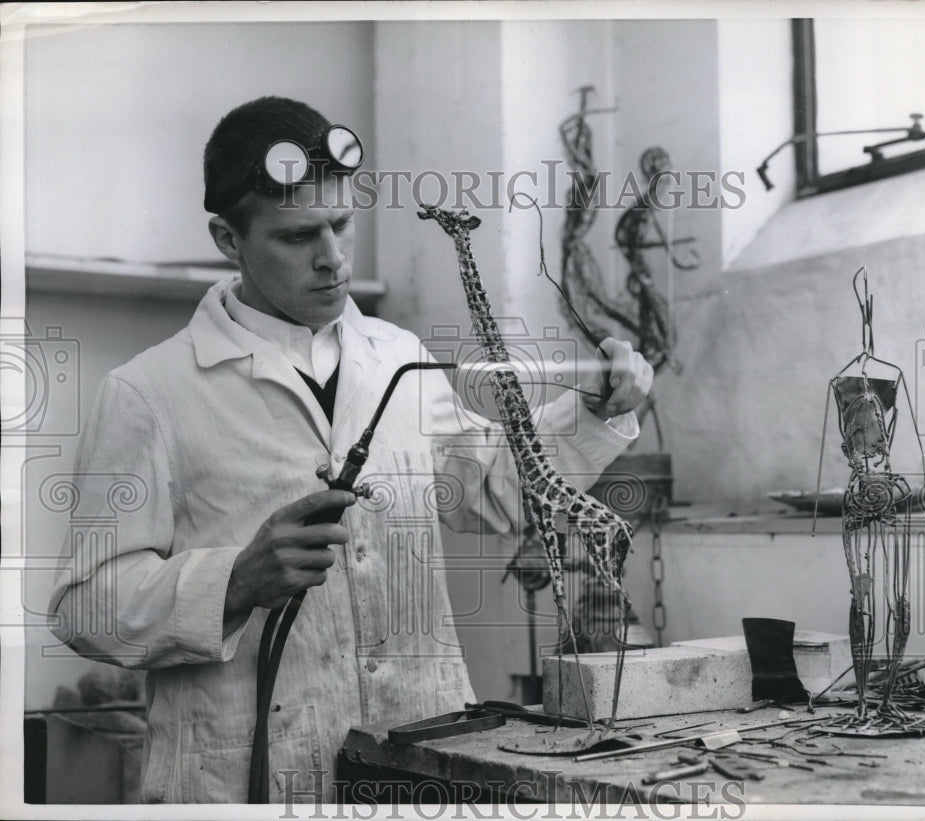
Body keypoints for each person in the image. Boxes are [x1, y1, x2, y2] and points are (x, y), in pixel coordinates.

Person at [48, 96, 654, 804]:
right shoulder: (148, 392)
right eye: (298, 235)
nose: (332, 258)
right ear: (227, 238)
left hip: (419, 754)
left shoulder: (397, 356)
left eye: (340, 224)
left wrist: (596, 412)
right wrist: (233, 580)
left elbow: (497, 491)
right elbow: (84, 608)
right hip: (249, 775)